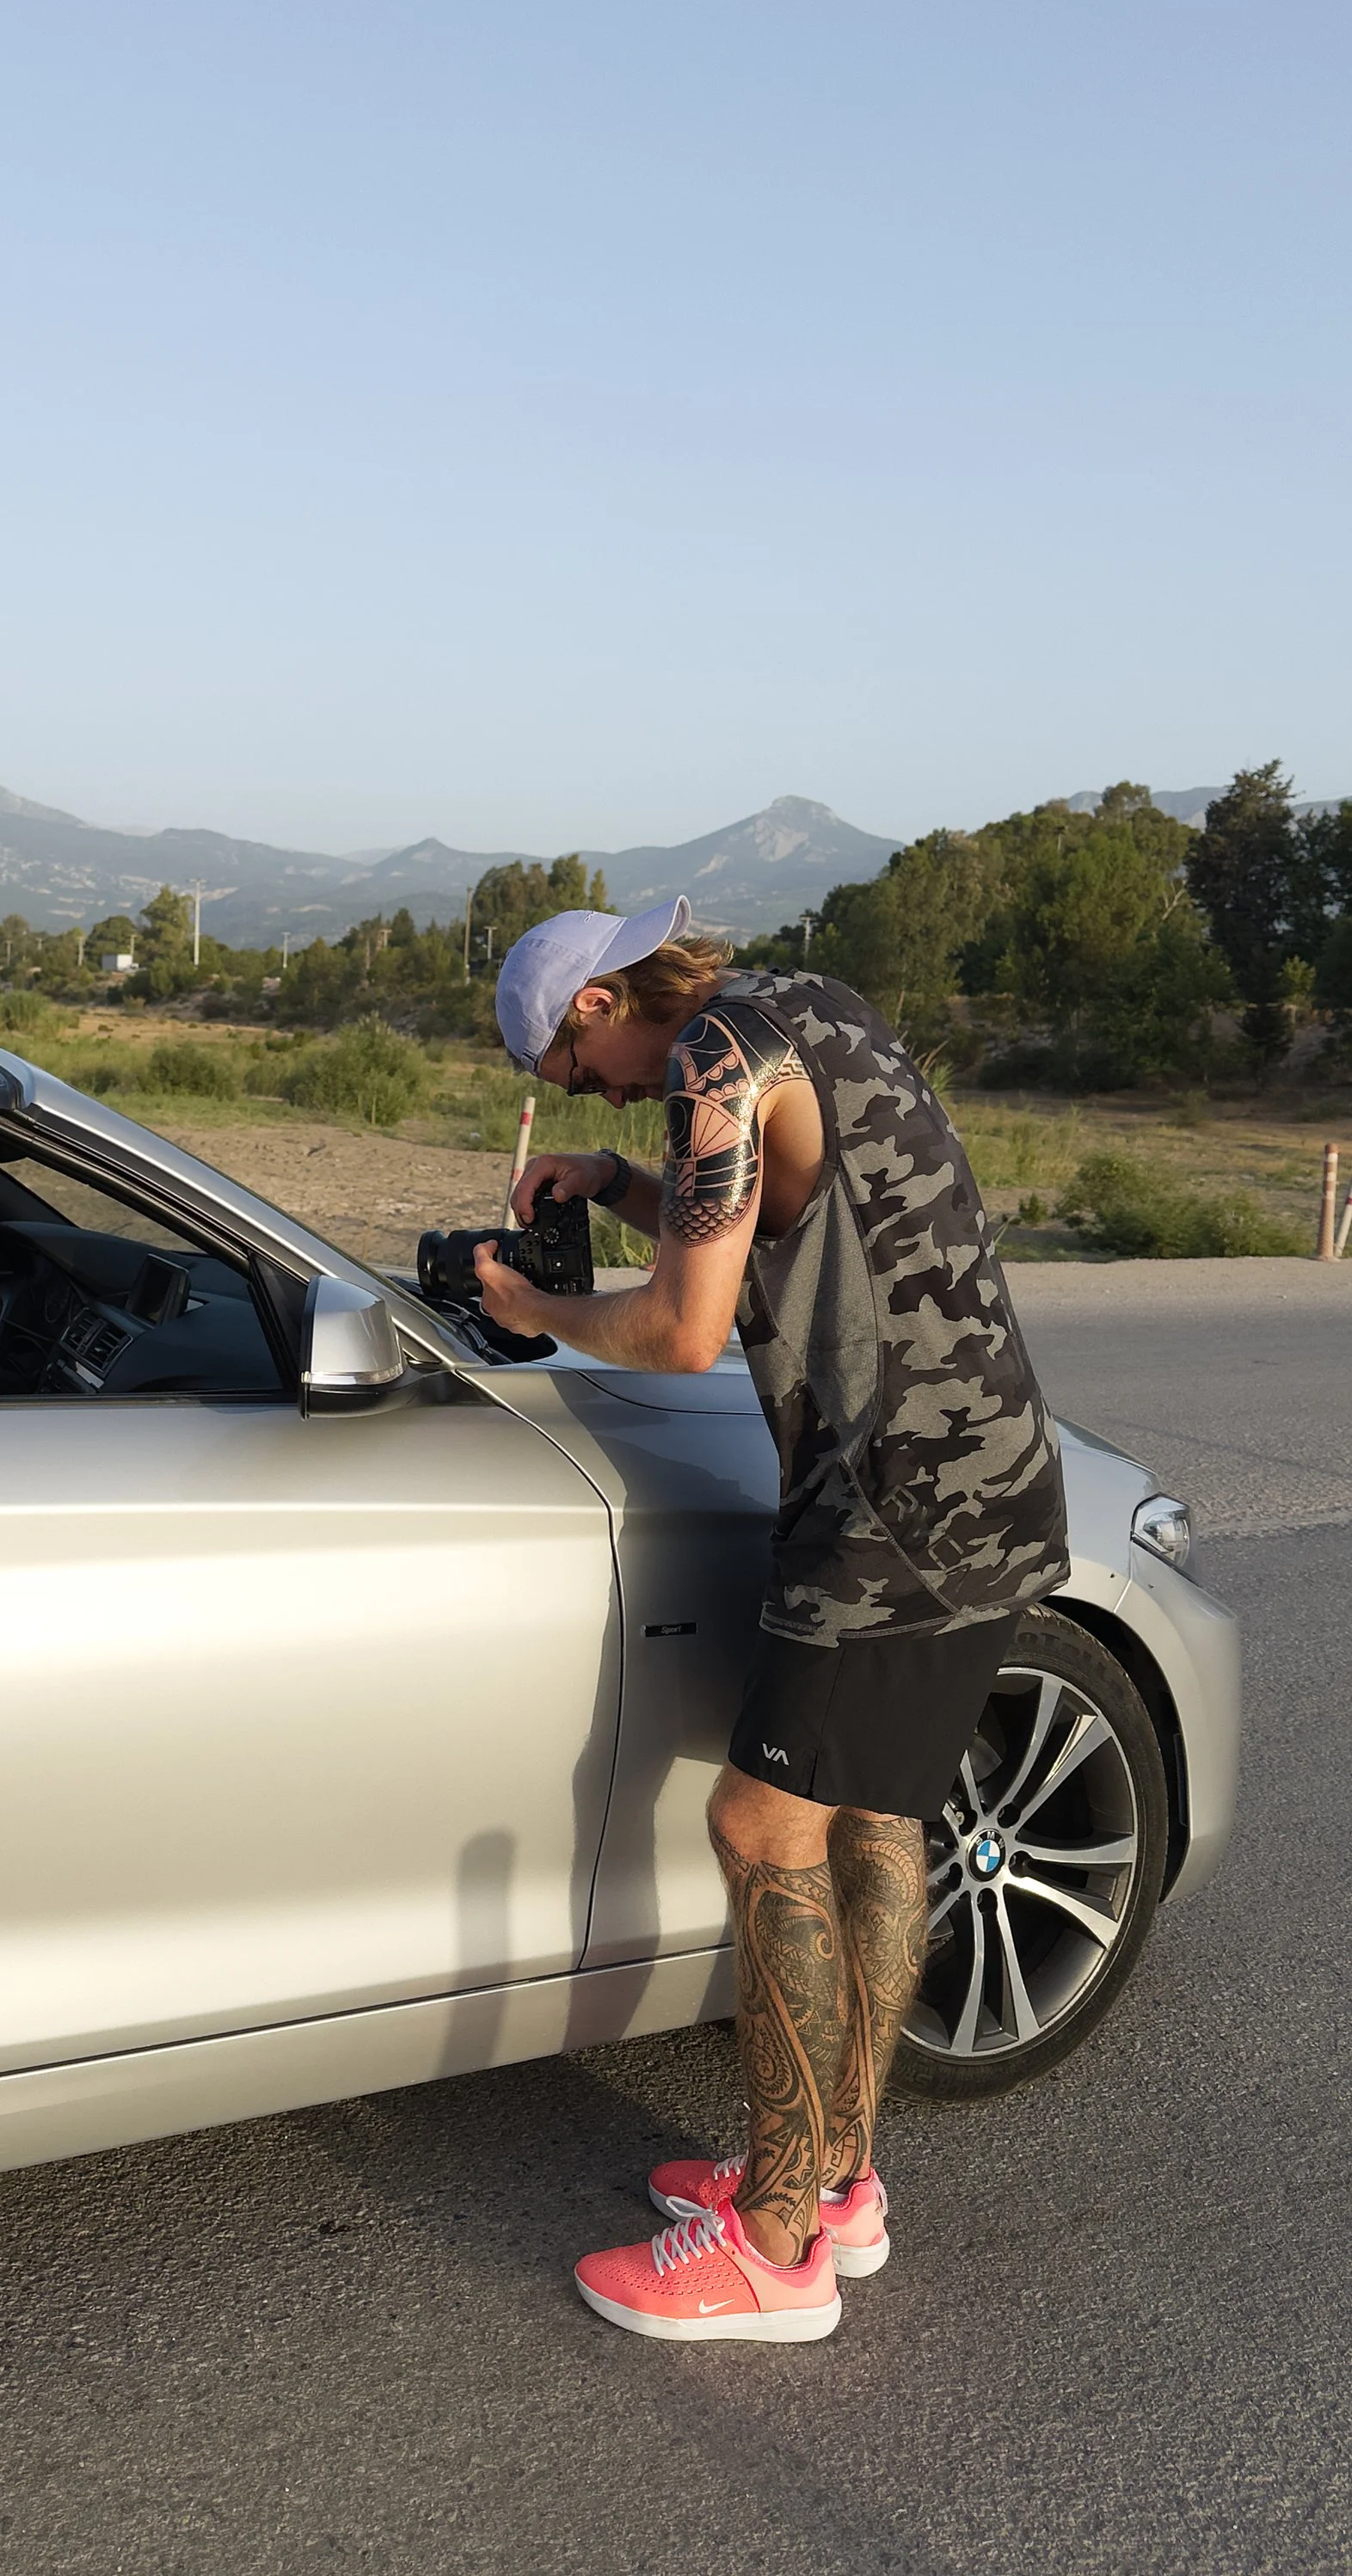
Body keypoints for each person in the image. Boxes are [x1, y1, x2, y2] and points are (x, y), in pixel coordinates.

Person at [474, 898, 1068, 2345]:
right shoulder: (805, 1002)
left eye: (574, 1068)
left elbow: (685, 1327)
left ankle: (777, 2244)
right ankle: (837, 2182)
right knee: (871, 1817)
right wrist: (619, 1177)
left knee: (761, 1827)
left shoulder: (714, 1060)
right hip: (985, 1479)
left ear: (601, 1001)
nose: (591, 1089)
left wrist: (531, 1309)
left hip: (893, 1508)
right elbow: (780, 1203)